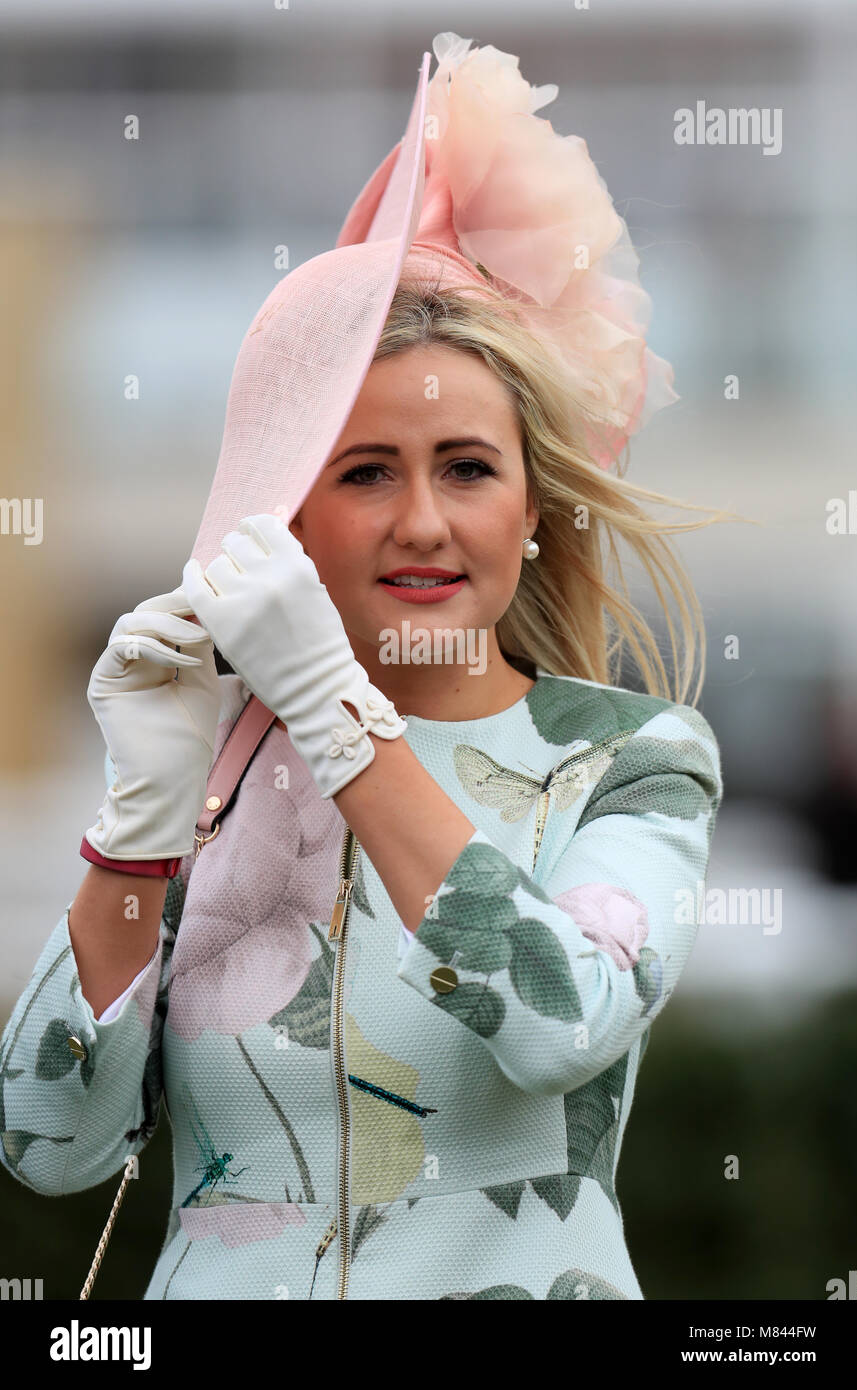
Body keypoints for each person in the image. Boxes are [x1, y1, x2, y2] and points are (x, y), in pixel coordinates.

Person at [0, 33, 730, 1300]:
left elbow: (562, 1020)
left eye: (465, 467)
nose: (422, 522)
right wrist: (140, 818)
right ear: (288, 514)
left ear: (532, 504)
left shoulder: (633, 759)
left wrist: (337, 724)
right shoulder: (218, 767)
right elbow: (46, 1144)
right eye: (364, 473)